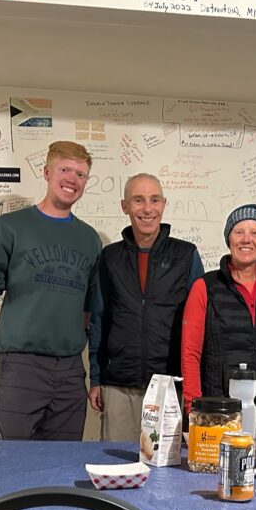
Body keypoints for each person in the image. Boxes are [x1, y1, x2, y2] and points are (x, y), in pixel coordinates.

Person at [0, 140, 101, 441]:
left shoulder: (90, 239)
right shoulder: (11, 226)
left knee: (62, 463)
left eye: (81, 174)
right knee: (9, 457)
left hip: (71, 369)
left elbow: (88, 309)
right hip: (21, 366)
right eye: (65, 170)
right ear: (47, 172)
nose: (72, 179)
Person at [88, 173, 204, 441]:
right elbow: (98, 319)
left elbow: (199, 326)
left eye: (154, 200)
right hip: (119, 385)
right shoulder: (109, 258)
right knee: (115, 466)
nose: (147, 208)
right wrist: (96, 379)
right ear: (124, 206)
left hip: (169, 385)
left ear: (163, 204)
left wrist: (193, 385)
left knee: (165, 471)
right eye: (138, 200)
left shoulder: (186, 256)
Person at [181, 204, 256, 412]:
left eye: (255, 232)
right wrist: (194, 409)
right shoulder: (205, 287)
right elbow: (190, 354)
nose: (246, 239)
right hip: (220, 411)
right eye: (239, 232)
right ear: (229, 239)